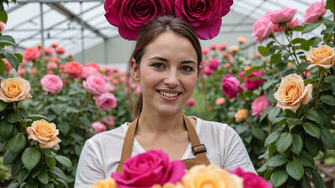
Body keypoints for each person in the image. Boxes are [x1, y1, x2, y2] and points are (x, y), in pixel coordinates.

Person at [74, 16, 255, 187]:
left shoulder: (223, 140)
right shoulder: (100, 149)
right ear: (135, 69)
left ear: (198, 73)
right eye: (159, 65)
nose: (172, 80)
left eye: (186, 68)